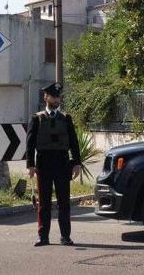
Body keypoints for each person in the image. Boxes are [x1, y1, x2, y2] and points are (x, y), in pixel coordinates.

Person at [26, 82, 82, 247]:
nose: (57, 99)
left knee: (64, 202)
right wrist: (30, 164)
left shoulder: (66, 118)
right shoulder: (36, 118)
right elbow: (30, 143)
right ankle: (43, 237)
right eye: (54, 96)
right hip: (43, 163)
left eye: (58, 97)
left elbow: (73, 142)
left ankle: (65, 236)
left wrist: (77, 163)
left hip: (62, 163)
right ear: (46, 97)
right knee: (44, 203)